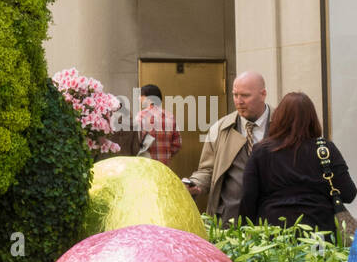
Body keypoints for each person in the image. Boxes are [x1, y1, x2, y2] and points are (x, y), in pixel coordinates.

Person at [240, 91, 356, 237]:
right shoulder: (325, 149)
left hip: (272, 232)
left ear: (278, 118)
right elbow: (348, 193)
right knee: (318, 260)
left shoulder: (260, 151)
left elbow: (248, 196)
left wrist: (246, 229)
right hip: (319, 231)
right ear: (312, 119)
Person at [184, 70, 270, 224]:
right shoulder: (219, 128)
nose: (239, 101)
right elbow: (206, 170)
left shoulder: (282, 126)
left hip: (270, 220)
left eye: (245, 95)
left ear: (263, 94)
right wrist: (195, 184)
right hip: (229, 221)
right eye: (235, 95)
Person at [135, 84, 181, 164]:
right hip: (164, 165)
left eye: (141, 95)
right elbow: (177, 143)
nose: (138, 98)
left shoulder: (141, 116)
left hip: (146, 165)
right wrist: (166, 154)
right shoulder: (170, 116)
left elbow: (135, 142)